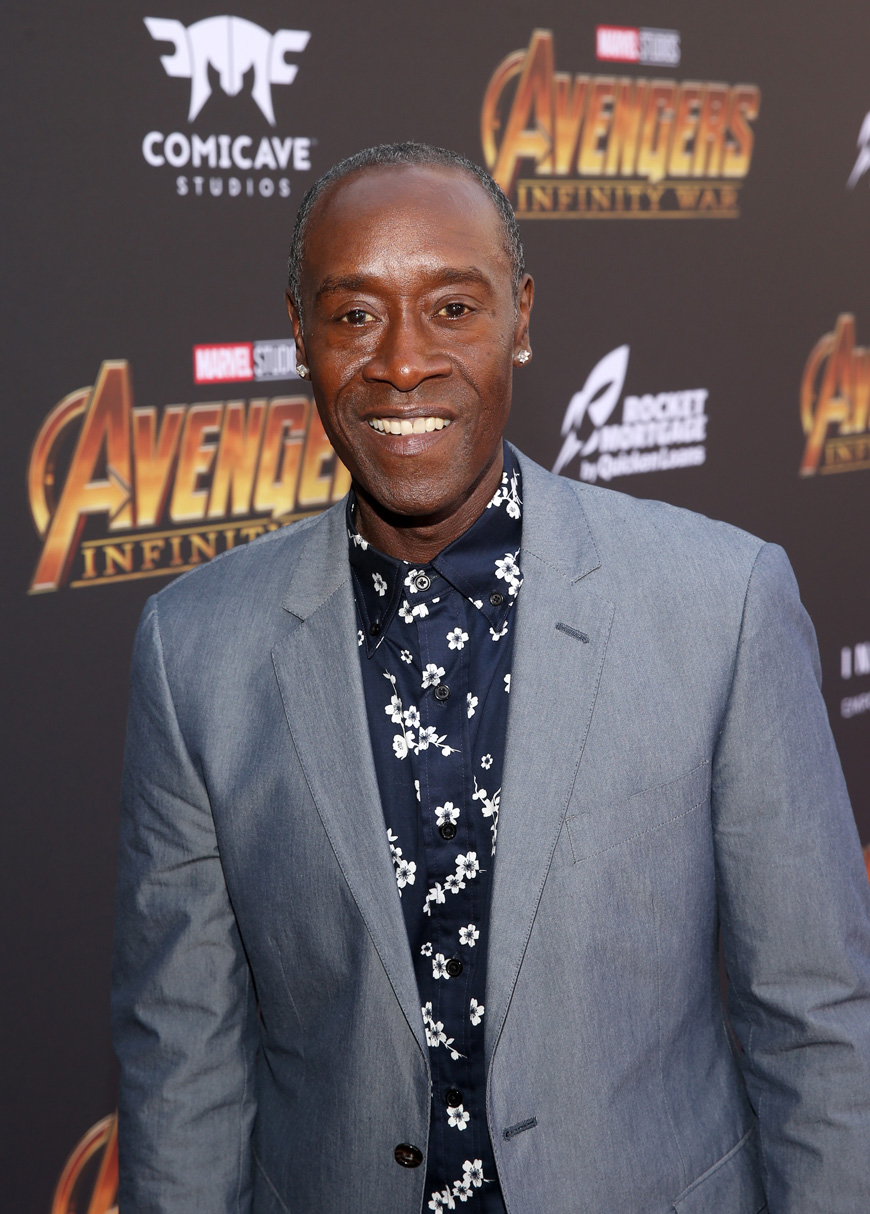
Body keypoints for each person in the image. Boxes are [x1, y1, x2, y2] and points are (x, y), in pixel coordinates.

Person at [112, 143, 870, 1213]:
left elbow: (818, 1023)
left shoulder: (721, 602)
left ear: (521, 315)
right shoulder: (195, 647)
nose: (402, 363)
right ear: (300, 334)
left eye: (454, 309)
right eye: (354, 314)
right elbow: (181, 1060)